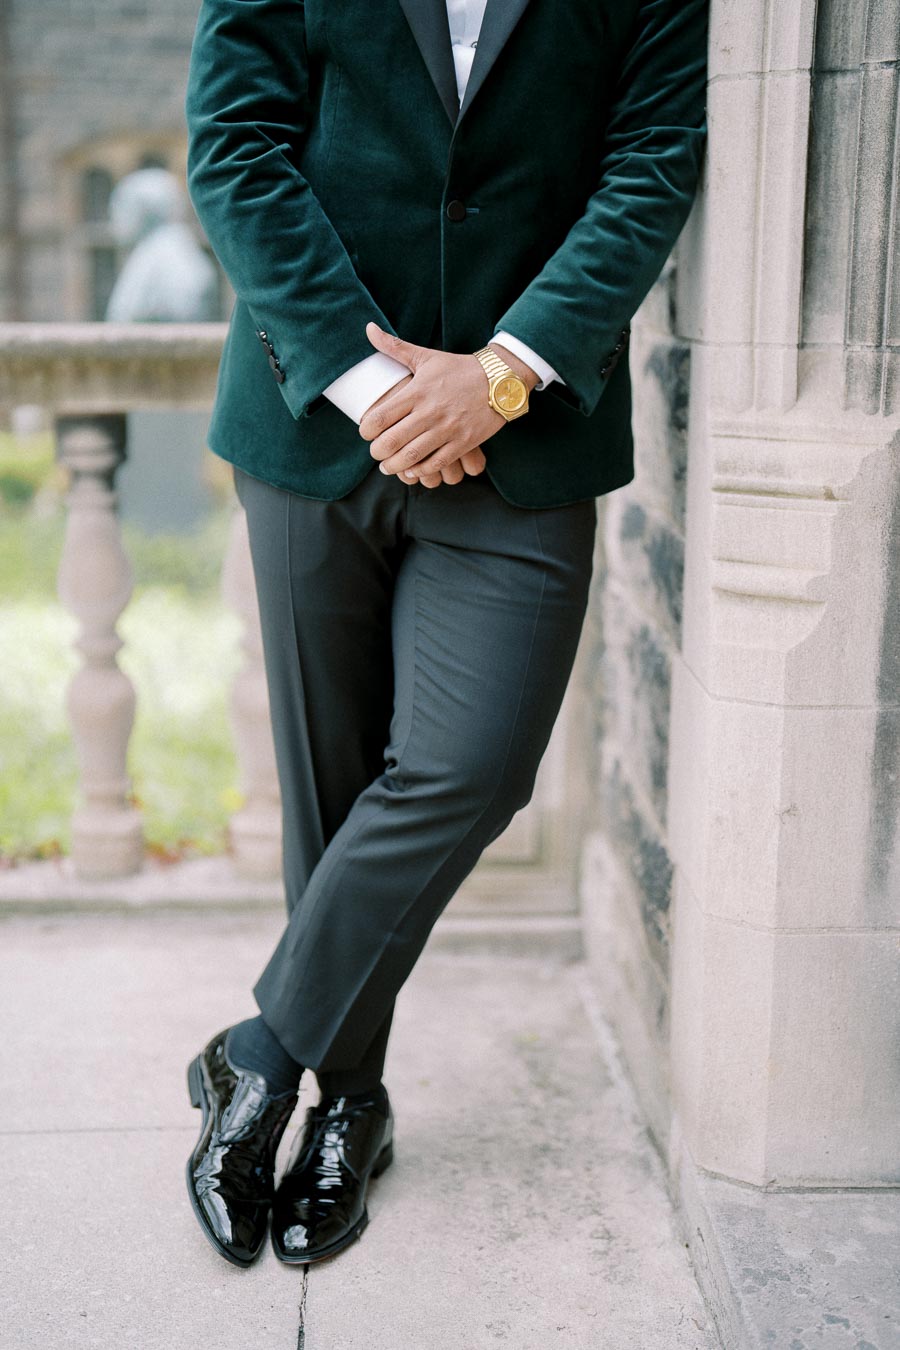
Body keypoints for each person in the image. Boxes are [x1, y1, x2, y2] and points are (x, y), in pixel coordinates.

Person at [182, 0, 709, 1269]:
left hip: (526, 437)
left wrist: (502, 372)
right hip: (317, 419)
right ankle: (347, 1106)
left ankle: (256, 1057)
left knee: (470, 765)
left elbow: (651, 160)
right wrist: (378, 389)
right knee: (330, 789)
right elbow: (236, 143)